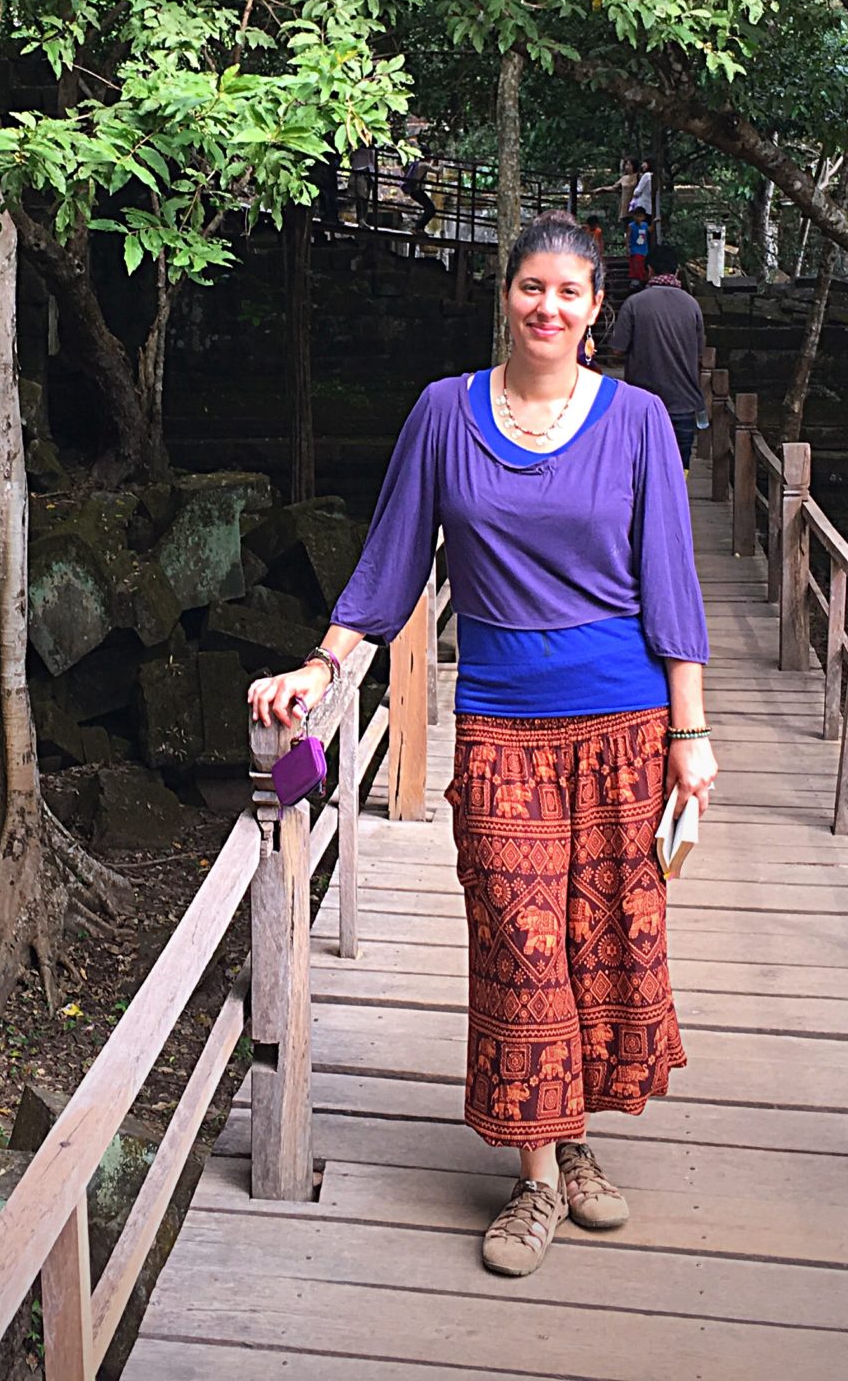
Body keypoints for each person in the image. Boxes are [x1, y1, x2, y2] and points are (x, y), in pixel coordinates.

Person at [248, 210, 715, 1279]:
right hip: (502, 723)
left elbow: (672, 582)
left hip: (625, 724)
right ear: (505, 296)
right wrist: (322, 666)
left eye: (569, 293)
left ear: (598, 312)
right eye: (530, 288)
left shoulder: (638, 420)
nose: (547, 307)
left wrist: (690, 731)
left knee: (601, 946)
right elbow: (394, 557)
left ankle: (571, 1143)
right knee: (522, 944)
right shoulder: (443, 413)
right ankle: (536, 1180)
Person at [600, 240, 704, 467]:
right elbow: (699, 353)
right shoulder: (692, 305)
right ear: (676, 271)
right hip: (683, 402)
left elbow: (617, 350)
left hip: (642, 402)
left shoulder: (634, 304)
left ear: (648, 270)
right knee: (680, 467)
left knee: (644, 466)